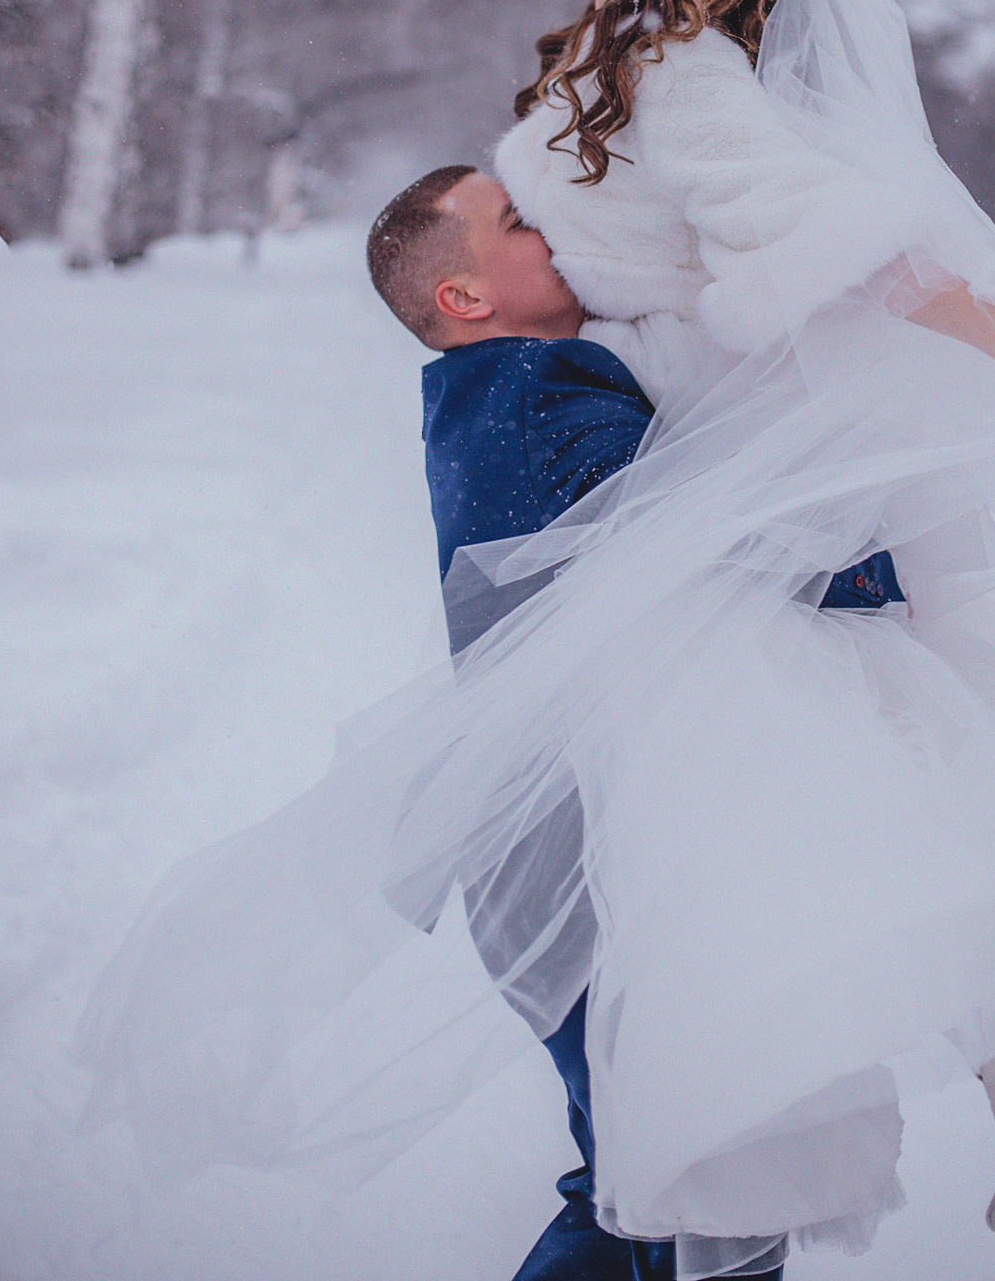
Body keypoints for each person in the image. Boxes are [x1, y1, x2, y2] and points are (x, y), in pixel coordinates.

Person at [77, 0, 995, 1281]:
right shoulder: (597, 64)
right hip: (665, 411)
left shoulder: (674, 71)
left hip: (722, 409)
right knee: (834, 791)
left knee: (838, 782)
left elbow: (839, 237)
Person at [365, 161, 902, 1279]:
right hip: (586, 859)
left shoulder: (511, 381)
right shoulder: (532, 388)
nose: (551, 224)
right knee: (682, 1182)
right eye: (517, 221)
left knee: (651, 1178)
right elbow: (685, 531)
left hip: (577, 847)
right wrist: (880, 566)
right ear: (464, 296)